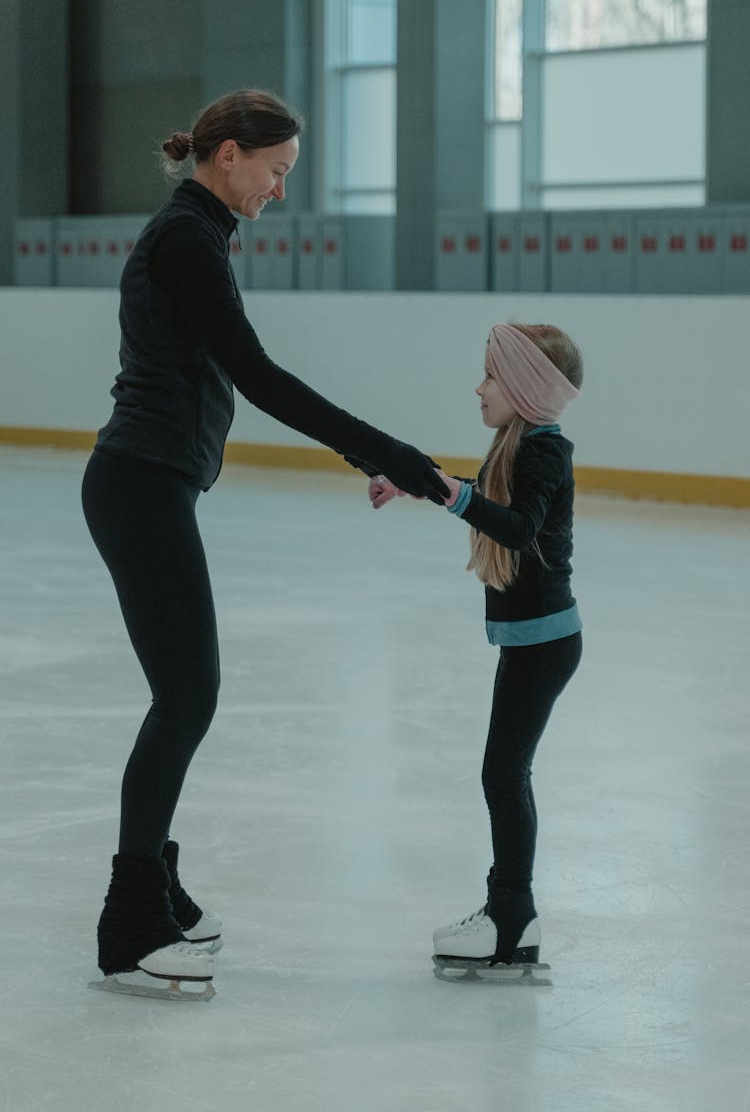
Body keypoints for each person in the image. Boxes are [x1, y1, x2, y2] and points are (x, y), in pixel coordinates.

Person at [82, 89, 448, 1001]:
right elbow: (258, 375)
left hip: (151, 483)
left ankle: (155, 882)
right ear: (231, 154)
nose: (280, 189)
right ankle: (130, 921)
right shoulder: (185, 239)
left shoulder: (198, 233)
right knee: (187, 692)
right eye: (277, 171)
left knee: (185, 690)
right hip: (140, 483)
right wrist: (387, 450)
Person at [369, 323, 583, 981]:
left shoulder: (544, 451)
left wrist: (452, 493)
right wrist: (424, 485)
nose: (479, 386)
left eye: (491, 375)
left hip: (545, 640)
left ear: (524, 388)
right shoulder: (519, 449)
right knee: (502, 773)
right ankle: (509, 912)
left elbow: (516, 528)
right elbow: (496, 503)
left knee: (503, 774)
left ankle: (512, 919)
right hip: (534, 639)